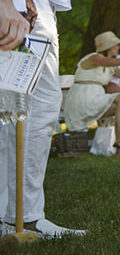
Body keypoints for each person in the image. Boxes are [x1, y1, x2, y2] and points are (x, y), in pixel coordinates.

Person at [0, 0, 86, 238]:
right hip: (20, 9)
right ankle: (22, 218)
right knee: (24, 110)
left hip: (40, 10)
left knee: (26, 112)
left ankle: (16, 216)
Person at [63, 31, 120, 156]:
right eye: (116, 45)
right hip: (83, 99)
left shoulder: (110, 66)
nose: (119, 47)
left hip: (97, 99)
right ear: (108, 47)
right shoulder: (95, 58)